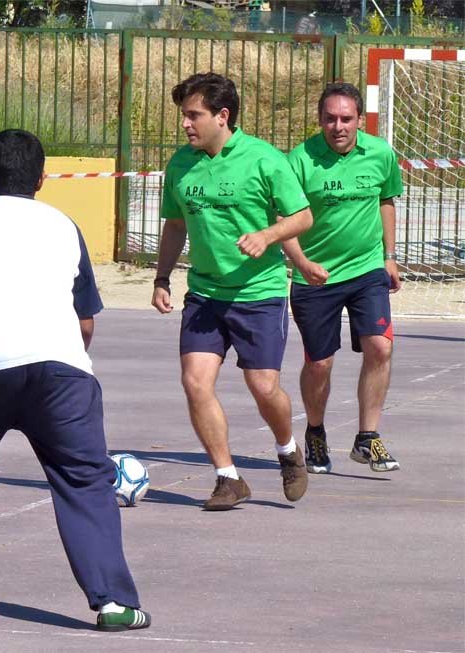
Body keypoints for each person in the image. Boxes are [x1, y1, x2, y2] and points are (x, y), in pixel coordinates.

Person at [0, 129, 151, 631]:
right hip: (63, 372)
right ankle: (113, 602)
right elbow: (86, 321)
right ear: (43, 179)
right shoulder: (64, 226)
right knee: (83, 483)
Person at [151, 72, 313, 511]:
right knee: (194, 381)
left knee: (263, 387)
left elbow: (302, 217)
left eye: (193, 115)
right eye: (184, 115)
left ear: (222, 116)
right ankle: (227, 477)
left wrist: (267, 235)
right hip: (205, 293)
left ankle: (287, 450)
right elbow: (176, 225)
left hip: (258, 293)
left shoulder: (264, 159)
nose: (185, 124)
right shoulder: (181, 164)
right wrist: (162, 278)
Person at [284, 82, 403, 475]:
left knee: (380, 347)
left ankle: (367, 438)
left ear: (359, 121)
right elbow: (283, 221)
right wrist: (301, 263)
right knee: (320, 364)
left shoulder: (380, 153)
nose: (338, 127)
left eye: (346, 119)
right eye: (330, 119)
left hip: (367, 268)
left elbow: (385, 200)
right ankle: (315, 432)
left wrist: (388, 256)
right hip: (316, 276)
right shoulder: (300, 161)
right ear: (320, 121)